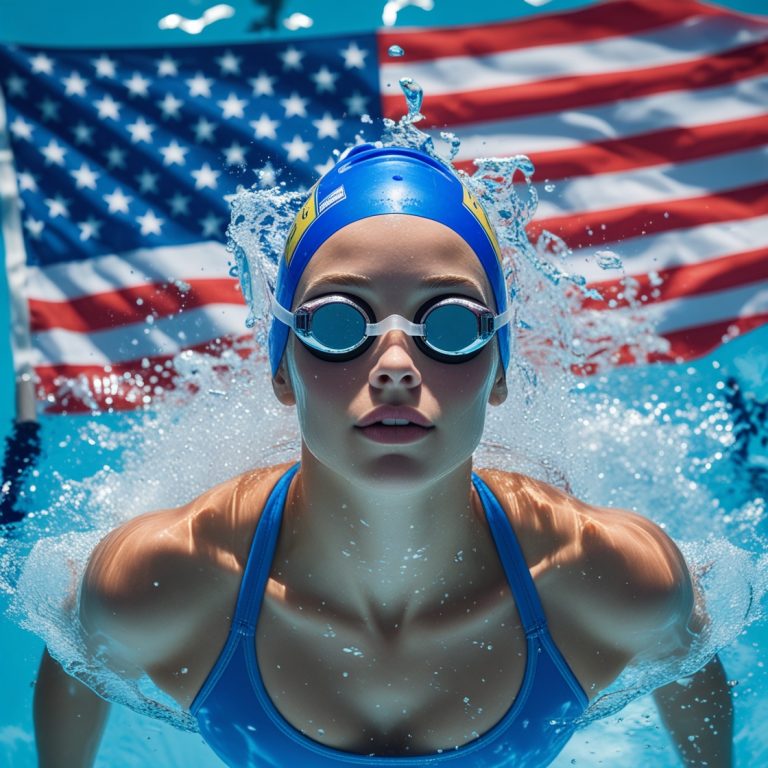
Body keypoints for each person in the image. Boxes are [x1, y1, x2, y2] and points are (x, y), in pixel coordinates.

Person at [34, 145, 733, 767]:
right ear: (282, 370)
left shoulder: (611, 578)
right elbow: (73, 651)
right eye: (339, 322)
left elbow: (689, 655)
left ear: (499, 373)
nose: (396, 363)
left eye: (451, 324)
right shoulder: (164, 582)